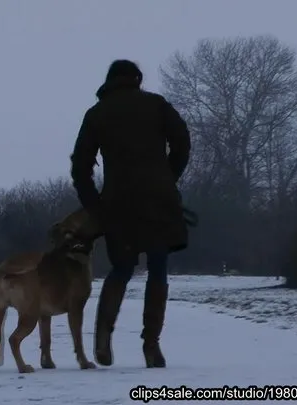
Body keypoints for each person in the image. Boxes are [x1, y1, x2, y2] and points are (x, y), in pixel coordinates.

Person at [70, 59, 191, 368]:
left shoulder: (97, 114)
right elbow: (182, 142)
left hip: (118, 203)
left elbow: (80, 166)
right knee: (158, 268)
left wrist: (94, 206)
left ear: (110, 81)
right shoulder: (156, 105)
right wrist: (168, 177)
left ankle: (102, 337)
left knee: (122, 269)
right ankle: (151, 346)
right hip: (158, 200)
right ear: (137, 79)